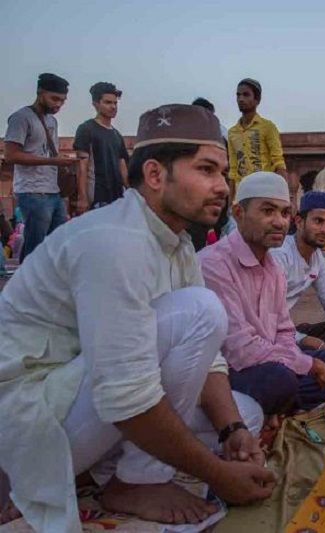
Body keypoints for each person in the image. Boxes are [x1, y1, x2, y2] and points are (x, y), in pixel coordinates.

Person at [0, 104, 275, 530]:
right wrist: (218, 475)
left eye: (223, 173)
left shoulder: (177, 243)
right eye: (206, 170)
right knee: (201, 311)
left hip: (83, 400)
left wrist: (232, 431)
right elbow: (126, 391)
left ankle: (99, 468)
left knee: (246, 414)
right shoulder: (115, 241)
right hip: (29, 417)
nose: (223, 187)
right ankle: (135, 480)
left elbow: (206, 359)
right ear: (153, 175)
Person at [200, 172, 325, 416]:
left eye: (284, 213)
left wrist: (307, 357)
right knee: (280, 380)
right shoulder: (214, 264)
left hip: (273, 356)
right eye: (267, 211)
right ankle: (277, 401)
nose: (278, 222)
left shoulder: (271, 267)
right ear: (239, 213)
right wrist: (309, 364)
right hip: (225, 370)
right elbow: (240, 349)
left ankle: (282, 401)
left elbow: (284, 330)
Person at [270, 191, 325, 350]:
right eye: (318, 221)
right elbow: (266, 318)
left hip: (289, 330)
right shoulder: (280, 256)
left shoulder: (316, 257)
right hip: (267, 333)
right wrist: (310, 342)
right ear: (298, 221)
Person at [3, 73, 75, 262]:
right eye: (54, 99)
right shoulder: (21, 118)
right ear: (40, 93)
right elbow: (11, 155)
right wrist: (54, 161)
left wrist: (59, 160)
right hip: (32, 191)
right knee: (35, 248)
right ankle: (26, 287)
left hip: (53, 191)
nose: (58, 104)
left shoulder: (52, 121)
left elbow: (46, 152)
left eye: (63, 100)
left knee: (56, 245)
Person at [227, 78, 290, 200]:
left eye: (246, 95)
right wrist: (230, 204)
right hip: (242, 192)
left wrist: (284, 196)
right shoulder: (232, 132)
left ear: (257, 100)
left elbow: (278, 161)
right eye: (238, 95)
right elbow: (233, 169)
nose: (240, 99)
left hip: (264, 190)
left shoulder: (268, 127)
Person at [73, 82, 129, 214]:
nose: (113, 107)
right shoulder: (86, 129)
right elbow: (82, 166)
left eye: (115, 103)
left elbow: (123, 167)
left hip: (117, 198)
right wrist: (82, 197)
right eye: (108, 102)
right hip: (96, 197)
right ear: (96, 104)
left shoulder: (117, 135)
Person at [187, 97, 231, 251]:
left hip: (214, 199)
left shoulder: (220, 136)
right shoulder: (184, 137)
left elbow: (226, 168)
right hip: (194, 200)